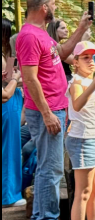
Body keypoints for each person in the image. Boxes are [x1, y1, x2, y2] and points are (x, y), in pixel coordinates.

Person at [17, 0, 92, 220]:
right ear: (44, 8)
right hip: (47, 111)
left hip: (54, 108)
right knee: (51, 169)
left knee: (47, 168)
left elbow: (61, 51)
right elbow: (30, 79)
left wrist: (81, 28)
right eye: (53, 3)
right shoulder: (29, 36)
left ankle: (41, 215)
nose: (55, 7)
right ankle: (48, 216)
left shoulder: (41, 33)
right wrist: (47, 113)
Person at [66, 41, 95, 220]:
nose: (91, 61)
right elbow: (77, 105)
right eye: (85, 57)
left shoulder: (88, 81)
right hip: (83, 140)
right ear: (75, 62)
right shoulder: (76, 82)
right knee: (83, 192)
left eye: (93, 57)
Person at [3, 18, 26, 208]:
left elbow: (9, 78)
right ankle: (8, 195)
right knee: (9, 150)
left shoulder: (6, 54)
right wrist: (17, 77)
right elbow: (5, 92)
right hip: (8, 104)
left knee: (12, 148)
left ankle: (11, 191)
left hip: (14, 102)